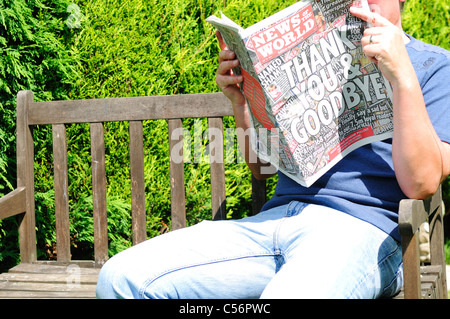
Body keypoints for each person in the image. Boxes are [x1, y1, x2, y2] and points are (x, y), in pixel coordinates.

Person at [96, 0, 450, 299]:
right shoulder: (311, 54)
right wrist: (241, 101)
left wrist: (402, 74)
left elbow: (422, 184)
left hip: (360, 233)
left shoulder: (436, 66)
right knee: (122, 278)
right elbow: (261, 169)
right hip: (273, 222)